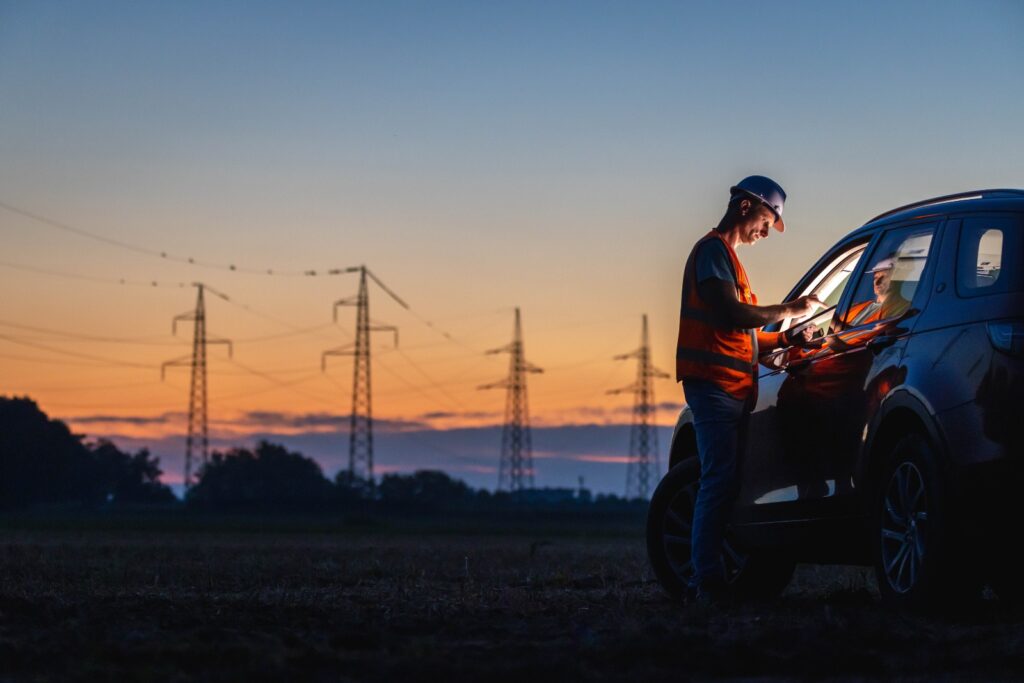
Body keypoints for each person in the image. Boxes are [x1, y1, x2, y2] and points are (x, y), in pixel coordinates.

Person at [675, 175, 822, 605]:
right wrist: (790, 310)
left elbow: (745, 337)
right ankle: (708, 582)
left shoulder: (730, 262)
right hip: (715, 387)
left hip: (731, 389)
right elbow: (731, 313)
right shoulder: (712, 252)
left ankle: (706, 578)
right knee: (718, 481)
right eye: (767, 219)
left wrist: (788, 339)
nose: (766, 231)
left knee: (722, 481)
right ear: (745, 207)